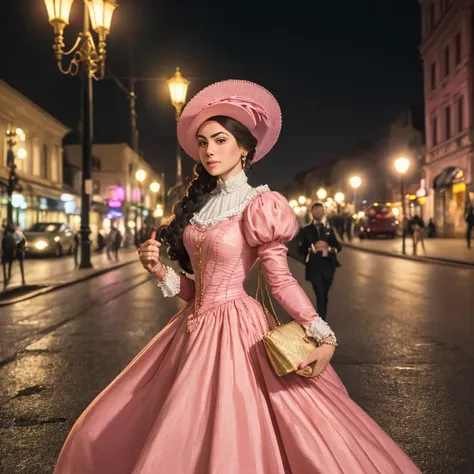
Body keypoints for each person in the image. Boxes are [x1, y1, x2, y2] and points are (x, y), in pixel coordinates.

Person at [53, 80, 421, 473]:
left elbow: (280, 281)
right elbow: (198, 289)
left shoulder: (260, 204)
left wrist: (322, 333)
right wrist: (160, 270)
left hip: (238, 332)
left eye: (220, 139)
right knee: (131, 423)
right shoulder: (203, 206)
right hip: (191, 330)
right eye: (202, 141)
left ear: (244, 147)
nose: (209, 149)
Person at [298, 202, 341, 321]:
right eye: (315, 210)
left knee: (324, 293)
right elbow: (300, 249)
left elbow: (339, 246)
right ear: (311, 212)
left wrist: (329, 248)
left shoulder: (330, 228)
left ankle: (322, 313)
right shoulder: (306, 230)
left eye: (320, 210)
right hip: (314, 266)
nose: (318, 212)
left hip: (328, 265)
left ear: (324, 212)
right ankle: (322, 321)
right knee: (320, 293)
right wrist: (311, 248)